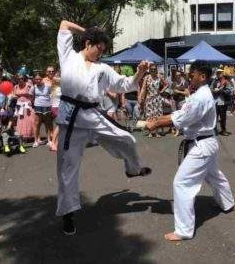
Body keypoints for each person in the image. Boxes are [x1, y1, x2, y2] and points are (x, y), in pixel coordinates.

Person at [56, 20, 151, 235]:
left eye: (103, 51)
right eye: (99, 48)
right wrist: (88, 30)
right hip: (71, 119)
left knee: (128, 139)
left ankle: (133, 169)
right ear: (88, 43)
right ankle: (68, 213)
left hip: (94, 115)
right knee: (68, 169)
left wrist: (139, 73)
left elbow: (124, 85)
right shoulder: (68, 56)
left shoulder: (103, 68)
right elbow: (63, 24)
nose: (101, 53)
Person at [146, 63, 235, 241]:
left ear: (202, 76)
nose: (188, 77)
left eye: (191, 74)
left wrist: (156, 123)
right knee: (214, 175)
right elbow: (180, 113)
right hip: (206, 142)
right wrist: (157, 119)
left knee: (182, 183)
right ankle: (228, 203)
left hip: (201, 145)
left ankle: (184, 230)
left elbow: (183, 118)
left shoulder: (201, 97)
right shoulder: (200, 94)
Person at [139, 64, 167, 138]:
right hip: (149, 99)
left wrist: (161, 91)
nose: (153, 70)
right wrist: (141, 97)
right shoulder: (147, 78)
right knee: (149, 115)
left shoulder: (159, 77)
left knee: (157, 115)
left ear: (156, 69)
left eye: (154, 69)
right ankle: (150, 132)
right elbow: (143, 88)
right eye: (152, 69)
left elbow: (166, 84)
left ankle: (157, 132)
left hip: (157, 99)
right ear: (149, 70)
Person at [30, 73, 53, 148]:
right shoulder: (33, 87)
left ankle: (49, 140)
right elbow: (31, 97)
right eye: (36, 79)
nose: (38, 80)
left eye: (40, 79)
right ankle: (36, 140)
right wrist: (34, 104)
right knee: (37, 123)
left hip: (47, 106)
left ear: (42, 79)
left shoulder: (48, 86)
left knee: (48, 123)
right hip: (38, 106)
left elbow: (51, 95)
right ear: (34, 80)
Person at [210, 69, 233, 136]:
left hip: (223, 101)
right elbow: (211, 88)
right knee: (214, 117)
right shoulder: (214, 81)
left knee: (223, 118)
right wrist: (214, 90)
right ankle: (214, 130)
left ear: (222, 74)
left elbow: (230, 90)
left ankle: (223, 130)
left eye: (220, 73)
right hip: (215, 101)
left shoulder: (226, 81)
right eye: (217, 73)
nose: (218, 74)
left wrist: (222, 91)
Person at [13, 75, 35, 140]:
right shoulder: (16, 86)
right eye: (19, 79)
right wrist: (16, 97)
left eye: (22, 78)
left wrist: (30, 100)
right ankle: (21, 135)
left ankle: (30, 135)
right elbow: (14, 94)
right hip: (19, 104)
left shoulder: (28, 85)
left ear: (24, 79)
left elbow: (33, 93)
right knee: (20, 119)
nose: (20, 80)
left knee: (28, 119)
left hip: (27, 104)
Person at [50, 72, 62, 151]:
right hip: (58, 108)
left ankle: (56, 144)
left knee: (60, 126)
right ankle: (53, 143)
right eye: (57, 76)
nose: (59, 78)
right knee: (59, 127)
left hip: (55, 107)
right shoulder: (58, 88)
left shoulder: (54, 88)